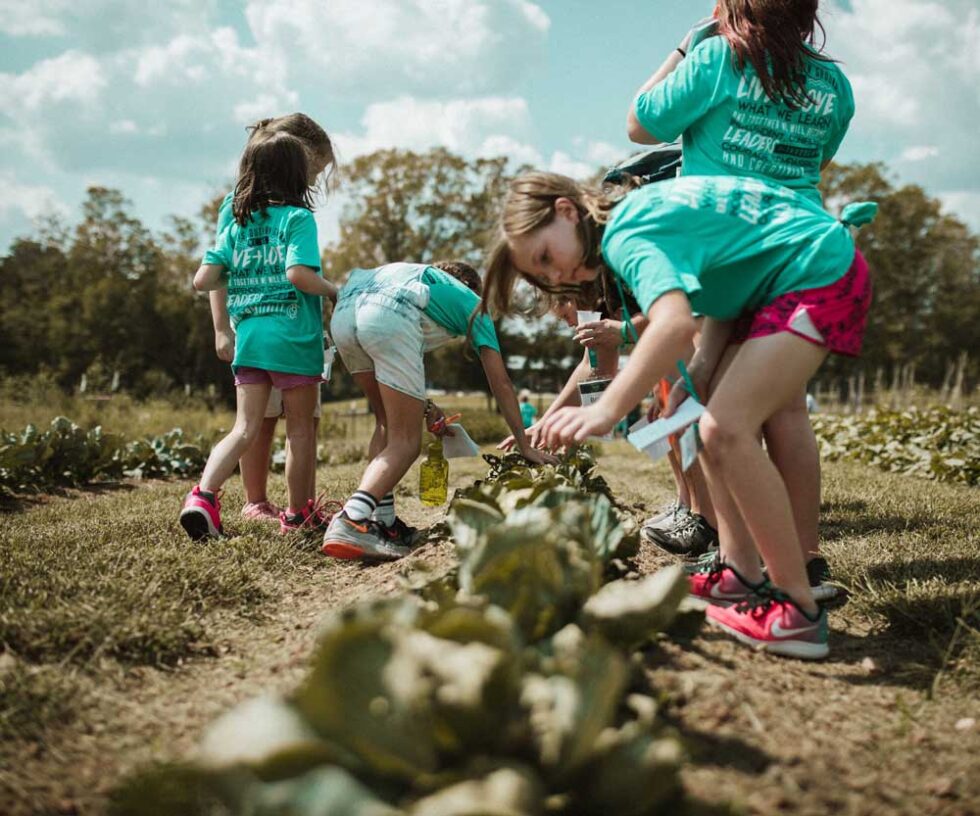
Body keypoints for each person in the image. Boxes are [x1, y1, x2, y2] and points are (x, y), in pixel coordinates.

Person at [483, 170, 872, 659]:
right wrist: (703, 367)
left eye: (546, 258)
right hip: (777, 283)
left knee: (724, 429)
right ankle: (740, 575)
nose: (555, 277)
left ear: (566, 211)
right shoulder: (642, 219)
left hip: (817, 275)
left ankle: (796, 611)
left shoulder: (627, 232)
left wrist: (605, 410)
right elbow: (727, 286)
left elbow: (672, 324)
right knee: (702, 417)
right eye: (542, 276)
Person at [626, 0, 855, 598]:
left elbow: (640, 123)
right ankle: (804, 561)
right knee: (785, 410)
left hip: (728, 248)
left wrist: (685, 44)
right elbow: (817, 161)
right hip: (803, 248)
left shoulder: (715, 58)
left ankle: (744, 563)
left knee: (723, 413)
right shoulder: (834, 82)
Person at [322, 261, 556, 562]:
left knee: (385, 424)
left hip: (345, 311)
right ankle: (351, 519)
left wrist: (427, 406)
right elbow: (501, 383)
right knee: (405, 442)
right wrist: (524, 445)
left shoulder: (418, 280)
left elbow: (397, 386)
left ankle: (384, 523)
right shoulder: (474, 303)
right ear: (470, 286)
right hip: (388, 314)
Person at [180, 131, 339, 540]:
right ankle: (298, 513)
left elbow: (202, 280)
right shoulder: (298, 219)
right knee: (300, 429)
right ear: (297, 175)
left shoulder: (236, 225)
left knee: (244, 428)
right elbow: (299, 276)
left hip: (249, 340)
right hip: (293, 339)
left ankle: (203, 496)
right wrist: (333, 289)